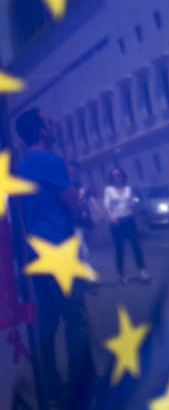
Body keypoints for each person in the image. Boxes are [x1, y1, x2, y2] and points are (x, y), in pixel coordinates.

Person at [14, 108, 96, 410]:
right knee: (76, 318)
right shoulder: (49, 160)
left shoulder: (22, 164)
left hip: (35, 253)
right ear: (41, 130)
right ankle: (81, 388)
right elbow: (73, 205)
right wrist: (81, 204)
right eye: (49, 122)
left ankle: (50, 386)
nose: (53, 125)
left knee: (47, 322)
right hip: (59, 249)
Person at [103, 167, 151, 285]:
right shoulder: (109, 190)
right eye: (114, 175)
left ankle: (142, 272)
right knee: (120, 248)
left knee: (136, 245)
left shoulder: (128, 189)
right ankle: (122, 274)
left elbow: (132, 203)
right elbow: (106, 205)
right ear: (111, 178)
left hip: (129, 219)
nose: (116, 177)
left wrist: (133, 207)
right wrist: (111, 217)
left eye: (118, 174)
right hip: (117, 221)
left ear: (122, 176)